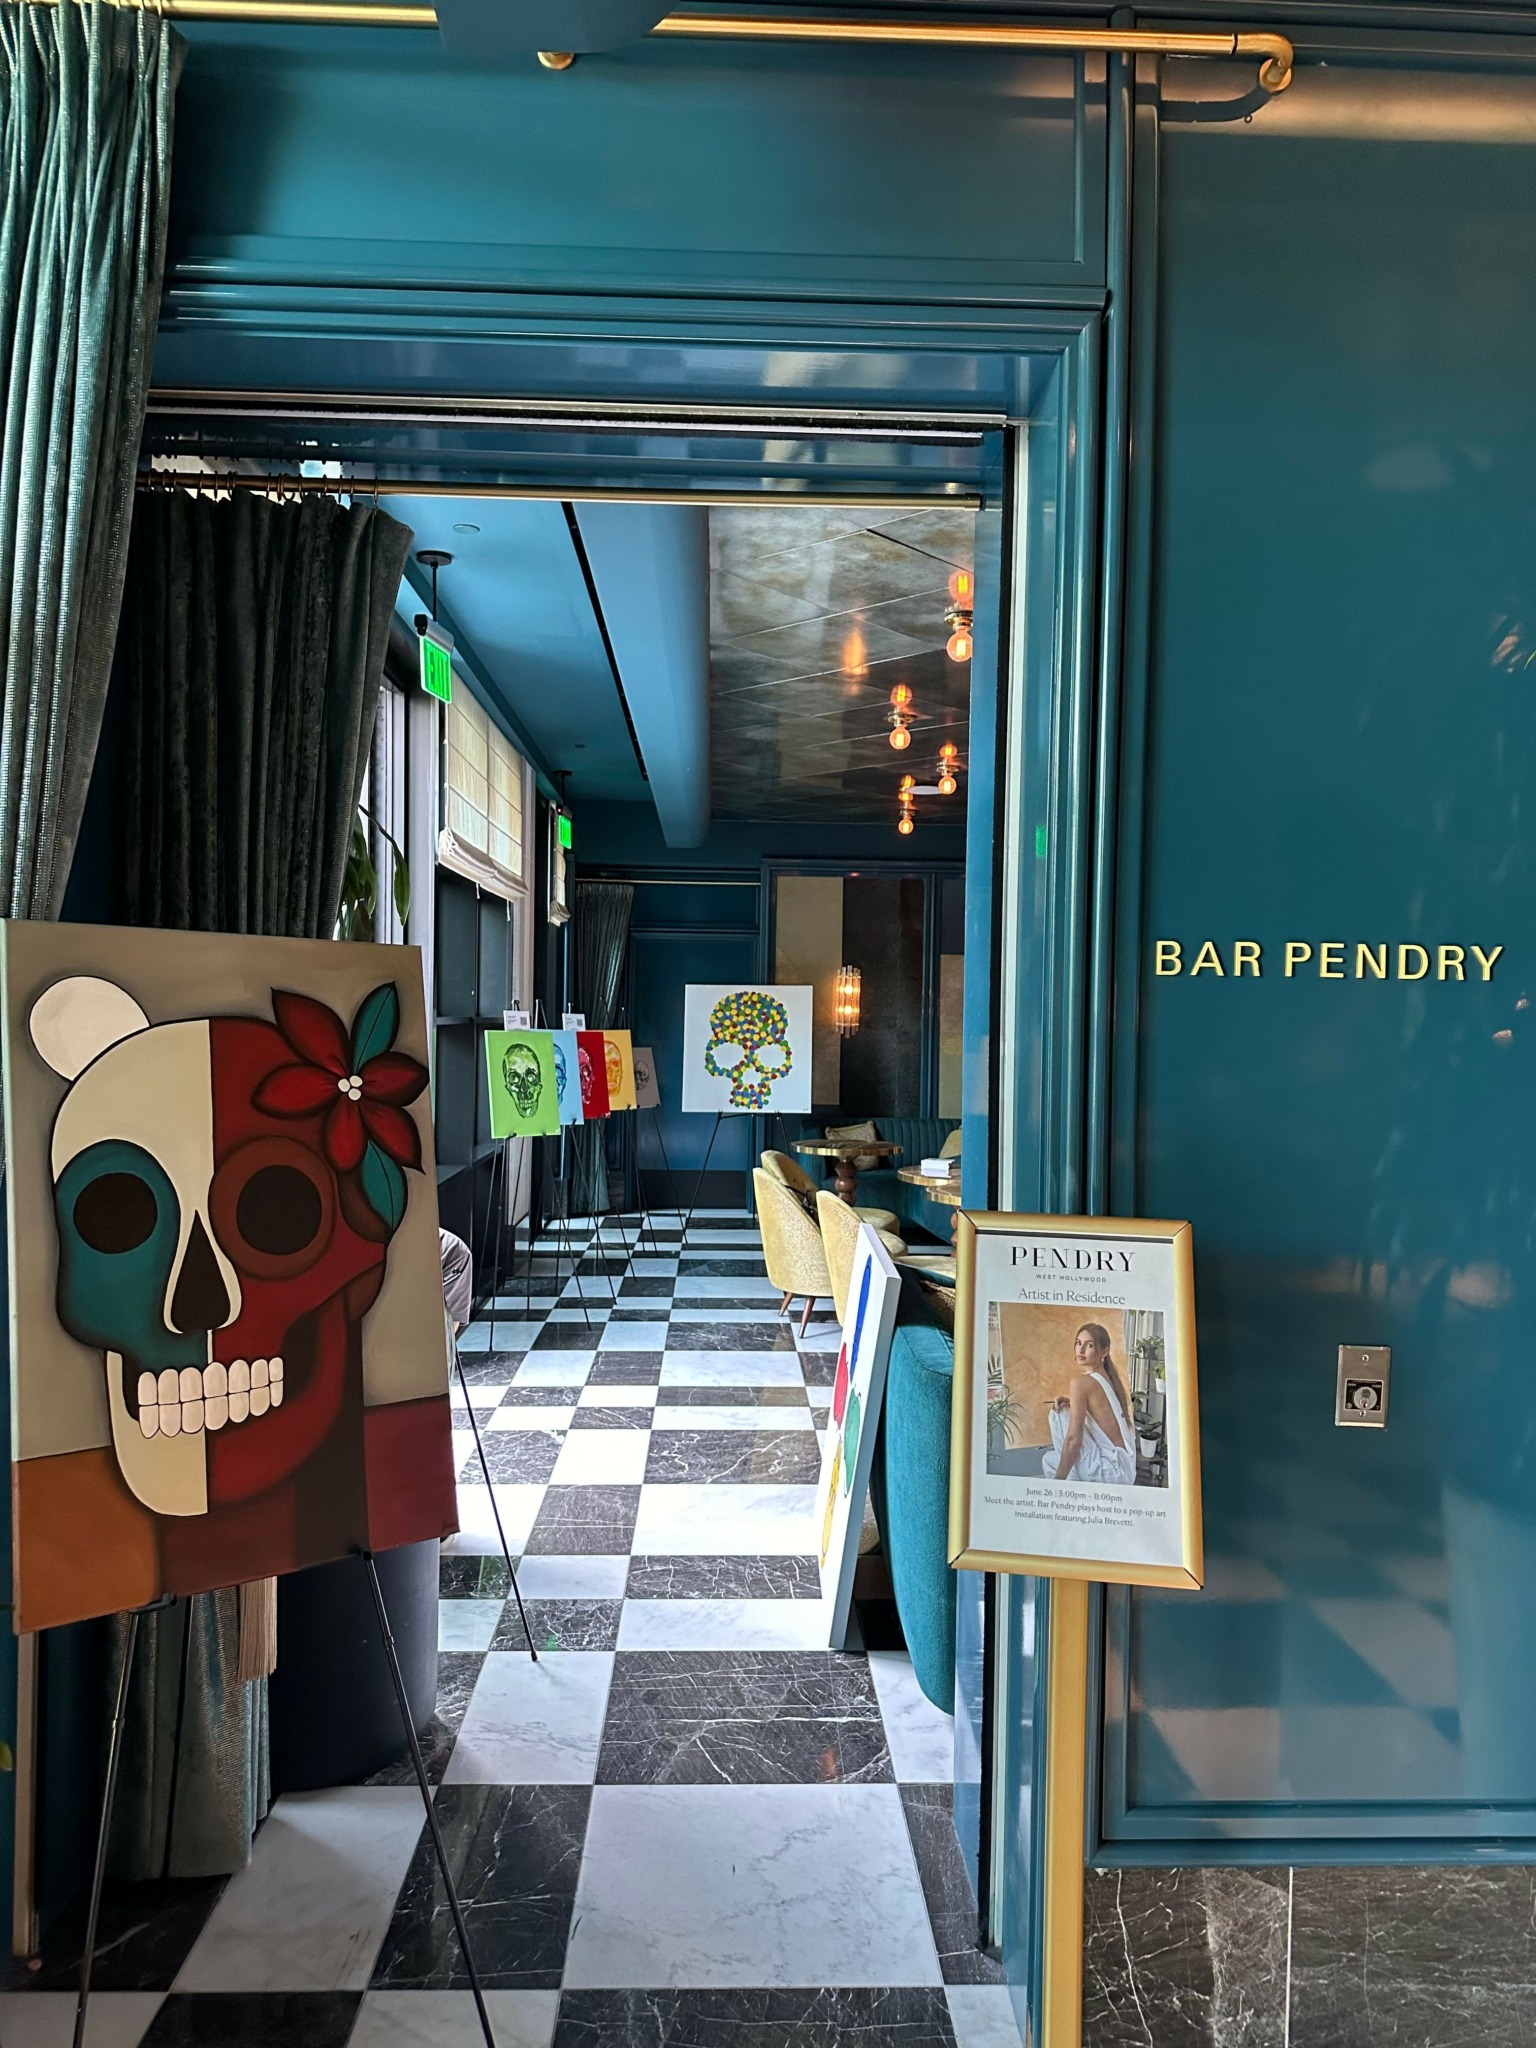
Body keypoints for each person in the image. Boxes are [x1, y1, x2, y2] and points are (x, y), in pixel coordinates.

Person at [1042, 1321, 1137, 1485]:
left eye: (1089, 1345)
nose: (1081, 1350)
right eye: (1078, 1343)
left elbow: (1073, 1439)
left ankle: (1069, 1484)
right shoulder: (1108, 1378)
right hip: (1125, 1470)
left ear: (1104, 1351)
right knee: (1049, 1459)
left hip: (1109, 1471)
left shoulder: (1081, 1383)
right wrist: (1072, 1402)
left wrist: (1056, 1484)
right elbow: (1101, 1412)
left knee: (1058, 1413)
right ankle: (1073, 1477)